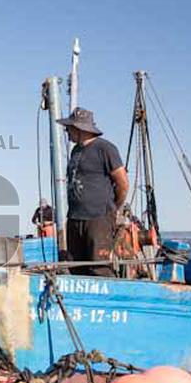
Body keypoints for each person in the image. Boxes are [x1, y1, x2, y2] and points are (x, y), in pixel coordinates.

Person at [57, 107, 129, 277]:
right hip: (75, 217)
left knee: (99, 267)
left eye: (69, 128)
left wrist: (113, 208)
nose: (67, 131)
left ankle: (105, 302)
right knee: (77, 267)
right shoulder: (76, 151)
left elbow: (122, 183)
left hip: (98, 217)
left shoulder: (105, 149)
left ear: (80, 129)